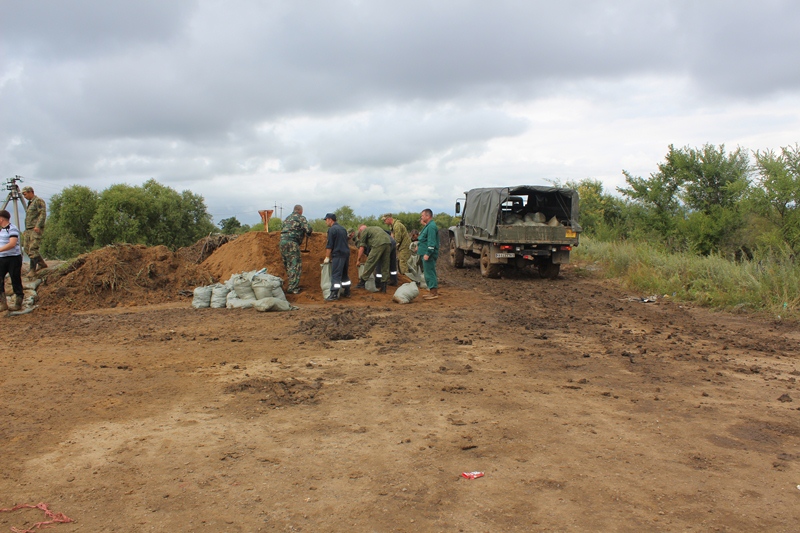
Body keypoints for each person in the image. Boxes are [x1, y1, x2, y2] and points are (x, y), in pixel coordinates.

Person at [279, 205, 312, 294]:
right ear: (300, 211)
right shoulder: (300, 218)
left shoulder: (287, 218)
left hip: (282, 243)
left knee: (288, 264)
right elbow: (308, 229)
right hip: (292, 243)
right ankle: (293, 288)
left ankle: (291, 283)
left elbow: (283, 228)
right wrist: (308, 232)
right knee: (295, 265)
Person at [0, 209, 25, 314]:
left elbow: (12, 244)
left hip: (13, 258)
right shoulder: (1, 230)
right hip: (2, 258)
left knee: (15, 279)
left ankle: (18, 302)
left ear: (1, 219)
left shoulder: (12, 229)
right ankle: (3, 303)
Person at [355, 224, 391, 293]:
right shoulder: (373, 228)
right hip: (388, 242)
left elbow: (362, 247)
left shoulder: (364, 232)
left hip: (379, 243)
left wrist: (358, 259)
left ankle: (362, 283)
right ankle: (384, 287)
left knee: (370, 262)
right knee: (385, 264)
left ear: (360, 232)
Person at [323, 213, 351, 301]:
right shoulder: (343, 229)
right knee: (344, 274)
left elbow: (329, 245)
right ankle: (347, 291)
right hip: (346, 254)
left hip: (338, 254)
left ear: (330, 220)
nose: (326, 222)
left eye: (326, 220)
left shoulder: (332, 230)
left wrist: (327, 257)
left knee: (336, 275)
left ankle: (334, 294)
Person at [21, 186, 47, 274]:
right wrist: (26, 229)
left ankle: (32, 270)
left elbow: (42, 214)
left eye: (25, 194)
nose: (24, 196)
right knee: (26, 248)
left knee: (33, 249)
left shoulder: (38, 201)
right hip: (29, 229)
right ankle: (41, 263)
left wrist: (38, 226)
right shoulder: (30, 203)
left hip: (35, 228)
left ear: (30, 192)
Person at [418, 208, 439, 299]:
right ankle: (432, 291)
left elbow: (431, 242)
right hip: (425, 253)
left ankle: (434, 293)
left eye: (422, 216)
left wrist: (428, 253)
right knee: (428, 272)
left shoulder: (431, 227)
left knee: (429, 272)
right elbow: (424, 239)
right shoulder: (428, 226)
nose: (421, 217)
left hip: (428, 254)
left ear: (428, 216)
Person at [382, 214, 411, 280]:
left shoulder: (397, 225)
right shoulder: (393, 226)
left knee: (402, 262)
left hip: (405, 246)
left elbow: (397, 239)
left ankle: (407, 279)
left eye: (385, 220)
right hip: (401, 247)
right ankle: (404, 278)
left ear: (389, 219)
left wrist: (392, 248)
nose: (384, 222)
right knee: (400, 261)